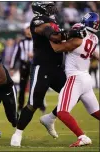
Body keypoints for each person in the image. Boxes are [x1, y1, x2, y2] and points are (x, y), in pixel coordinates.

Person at [10, 2, 87, 147]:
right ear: (41, 8)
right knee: (34, 103)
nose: (52, 8)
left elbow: (60, 36)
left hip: (57, 68)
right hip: (42, 68)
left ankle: (50, 118)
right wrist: (72, 33)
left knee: (73, 95)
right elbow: (54, 37)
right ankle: (18, 133)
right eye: (49, 6)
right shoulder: (38, 22)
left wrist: (72, 34)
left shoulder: (53, 21)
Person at [46, 12, 99, 147]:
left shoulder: (79, 37)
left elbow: (58, 48)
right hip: (86, 78)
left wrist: (49, 36)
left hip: (75, 78)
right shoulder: (94, 38)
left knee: (62, 112)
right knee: (96, 112)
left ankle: (82, 137)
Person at [9, 22, 46, 112]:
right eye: (27, 28)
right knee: (22, 87)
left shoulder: (37, 40)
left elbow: (42, 53)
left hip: (35, 65)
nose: (28, 31)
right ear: (24, 30)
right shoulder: (21, 42)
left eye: (30, 28)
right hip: (24, 65)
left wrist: (34, 55)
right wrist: (12, 67)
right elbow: (15, 55)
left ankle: (40, 105)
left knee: (37, 86)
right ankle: (20, 106)